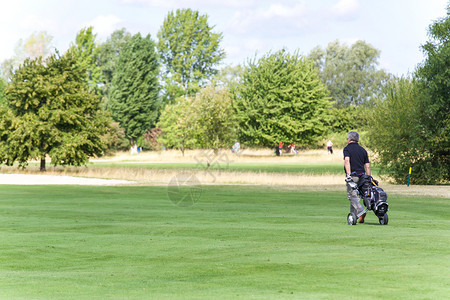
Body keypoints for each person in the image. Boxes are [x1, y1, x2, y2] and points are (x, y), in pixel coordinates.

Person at [343, 131, 371, 224]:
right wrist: (369, 177)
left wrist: (348, 175)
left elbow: (347, 161)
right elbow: (367, 166)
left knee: (352, 196)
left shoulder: (347, 149)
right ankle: (353, 216)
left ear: (349, 139)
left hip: (353, 176)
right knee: (356, 196)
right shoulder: (363, 150)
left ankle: (360, 212)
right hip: (362, 177)